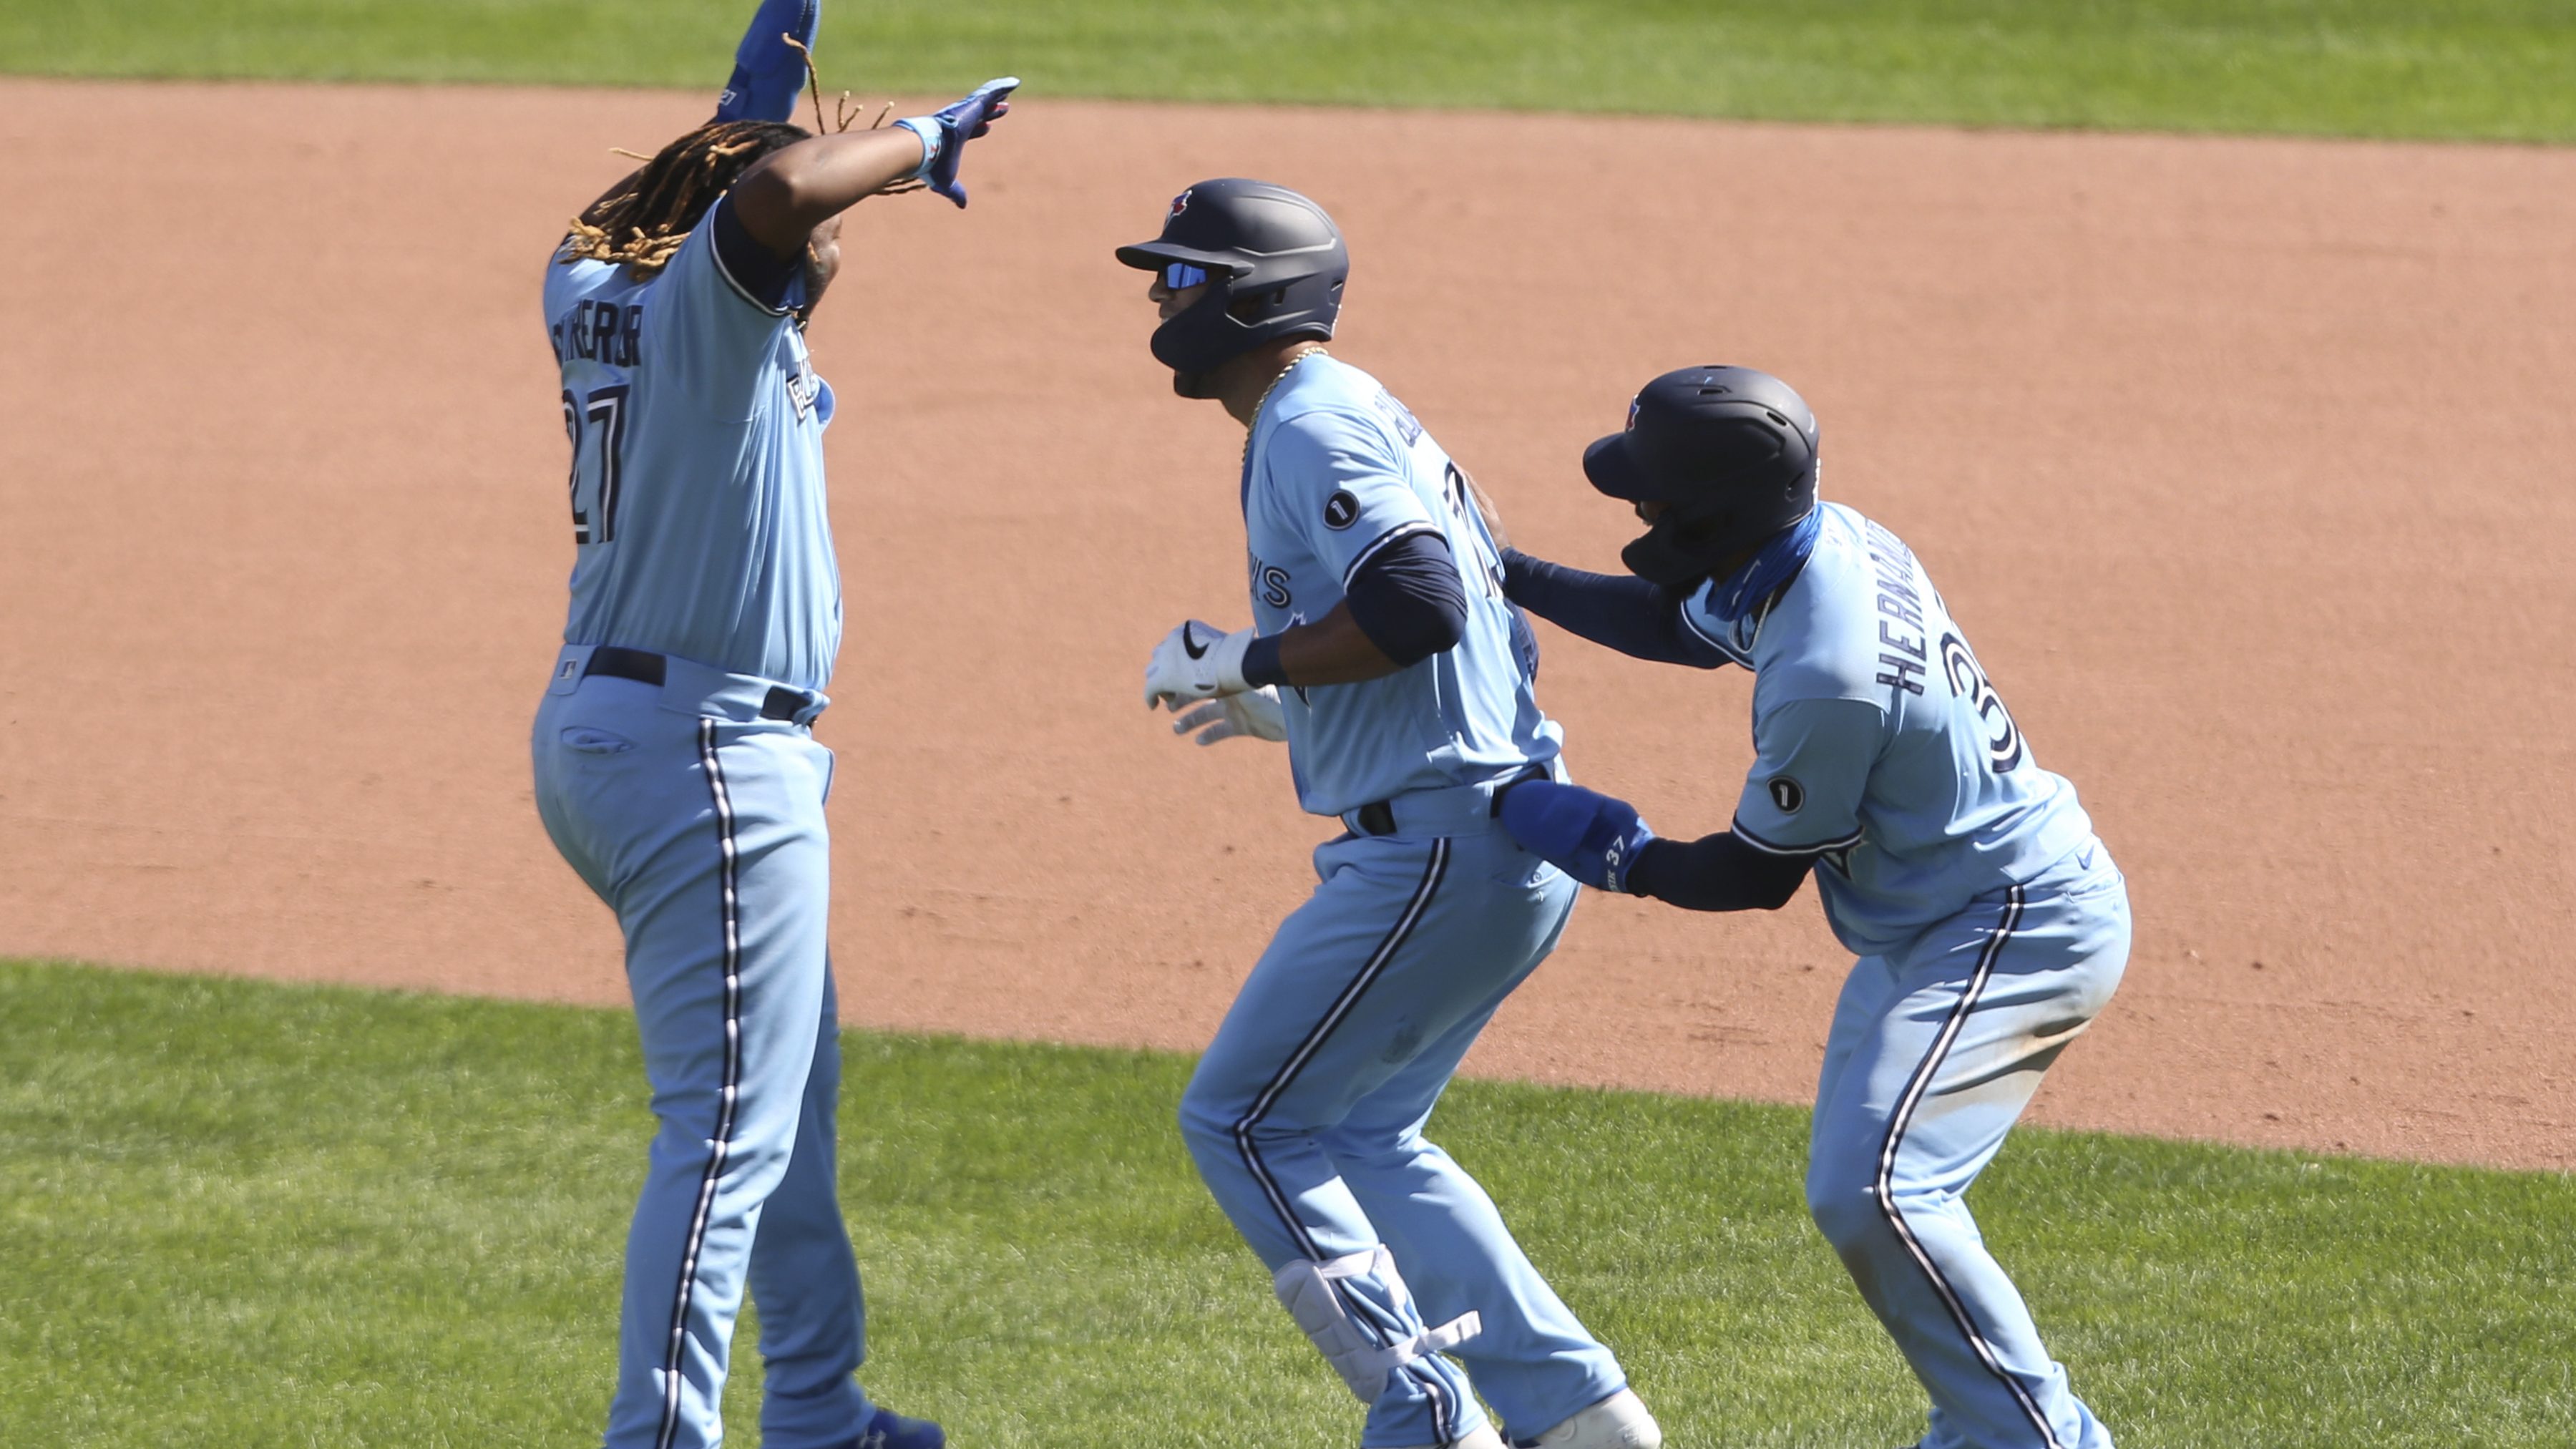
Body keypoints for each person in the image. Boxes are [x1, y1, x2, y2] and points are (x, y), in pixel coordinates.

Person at [527, 6, 1015, 1446]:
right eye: (837, 233)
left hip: (630, 729)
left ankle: (813, 1405)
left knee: (787, 1096)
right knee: (729, 1136)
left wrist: (780, 37)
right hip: (705, 760)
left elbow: (738, 153)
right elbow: (772, 189)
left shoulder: (585, 285)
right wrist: (920, 139)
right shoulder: (717, 312)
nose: (841, 247)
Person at [1492, 366, 2130, 1449]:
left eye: (1652, 493)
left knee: (1878, 1190)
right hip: (1939, 917)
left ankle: (2041, 1438)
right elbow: (1675, 621)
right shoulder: (1823, 539)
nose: (1637, 510)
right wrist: (1508, 574)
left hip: (2016, 927)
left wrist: (1608, 846)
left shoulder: (1827, 672)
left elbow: (1751, 876)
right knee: (1866, 1187)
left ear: (1714, 511)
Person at [1118, 178, 1661, 1449]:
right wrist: (1300, 706)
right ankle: (1581, 1420)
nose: (1158, 296)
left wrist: (1254, 661)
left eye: (1181, 275)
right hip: (1491, 830)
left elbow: (1422, 602)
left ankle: (1427, 1419)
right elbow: (1451, 620)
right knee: (1363, 1129)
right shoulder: (1352, 412)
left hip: (1437, 846)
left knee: (1243, 1119)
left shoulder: (1312, 424)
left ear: (1251, 297)